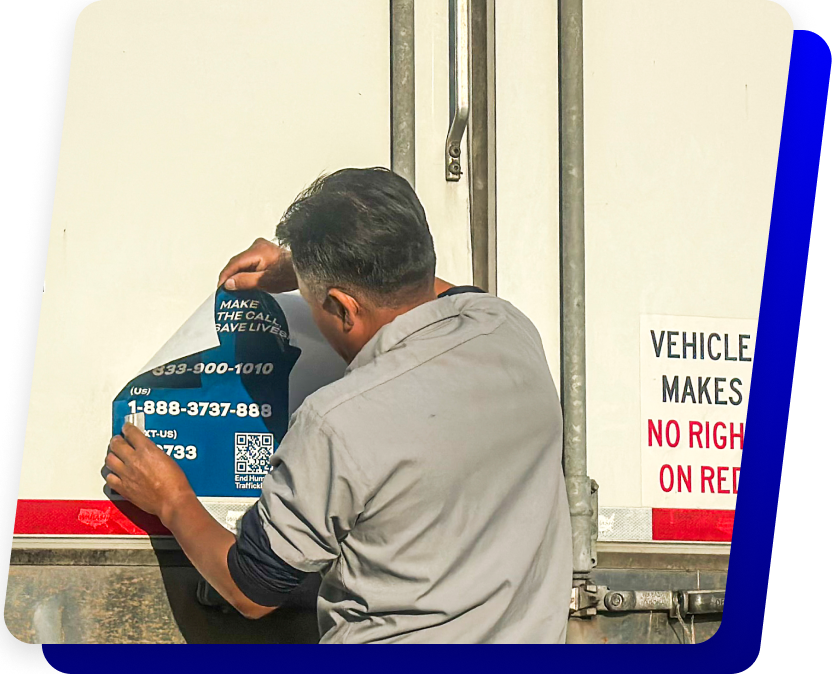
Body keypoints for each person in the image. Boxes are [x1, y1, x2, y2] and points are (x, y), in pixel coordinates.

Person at [106, 167, 573, 643]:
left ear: (343, 308)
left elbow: (252, 590)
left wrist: (172, 499)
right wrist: (307, 268)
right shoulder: (508, 329)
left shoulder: (337, 422)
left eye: (313, 303)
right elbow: (436, 292)